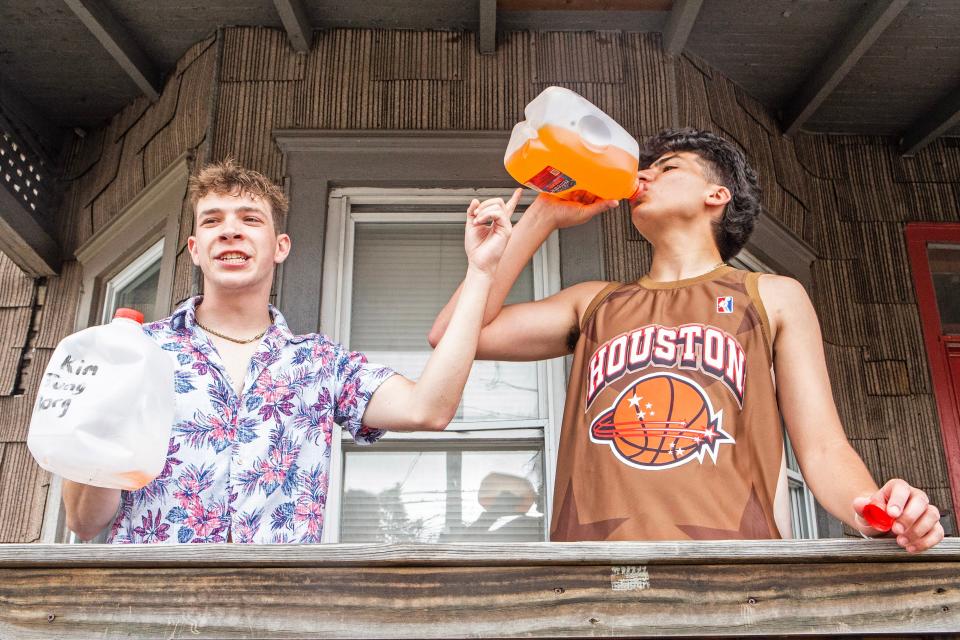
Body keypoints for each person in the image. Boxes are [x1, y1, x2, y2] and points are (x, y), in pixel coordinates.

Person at [429, 128, 944, 552]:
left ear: (717, 195)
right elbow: (450, 336)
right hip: (592, 584)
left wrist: (881, 511)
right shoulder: (593, 302)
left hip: (735, 583)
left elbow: (825, 447)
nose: (643, 175)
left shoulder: (771, 295)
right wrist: (544, 215)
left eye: (667, 167)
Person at [62, 159, 512, 543]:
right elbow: (85, 521)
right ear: (196, 250)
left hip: (279, 615)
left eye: (250, 219)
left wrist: (481, 271)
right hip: (150, 614)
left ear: (280, 247)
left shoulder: (319, 364)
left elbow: (427, 408)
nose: (230, 231)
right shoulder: (135, 353)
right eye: (213, 221)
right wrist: (101, 423)